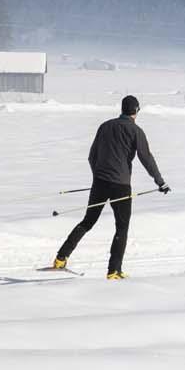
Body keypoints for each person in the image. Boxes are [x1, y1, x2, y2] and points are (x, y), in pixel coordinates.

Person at [52, 95, 170, 279]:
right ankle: (114, 270)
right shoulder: (136, 131)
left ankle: (60, 258)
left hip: (100, 182)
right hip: (121, 186)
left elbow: (92, 156)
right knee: (121, 228)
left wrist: (98, 176)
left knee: (88, 221)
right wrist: (160, 182)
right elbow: (146, 158)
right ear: (136, 111)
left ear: (122, 109)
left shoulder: (105, 126)